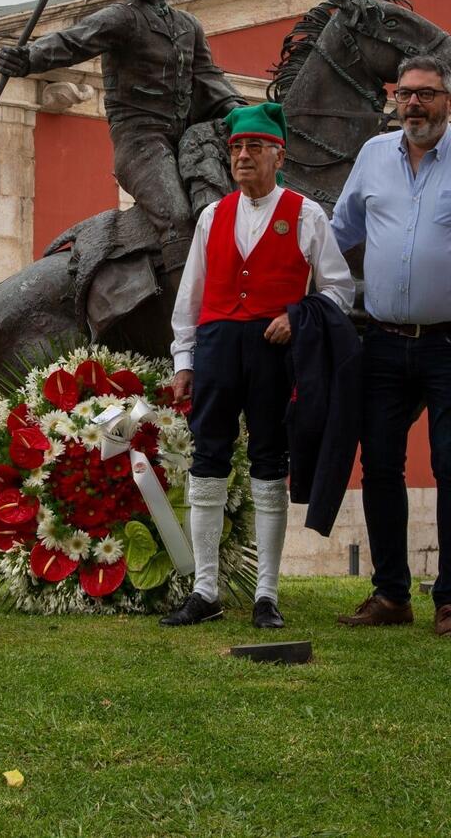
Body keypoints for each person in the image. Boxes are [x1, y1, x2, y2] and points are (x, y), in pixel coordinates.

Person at [328, 54, 451, 636]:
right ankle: (390, 594)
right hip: (382, 341)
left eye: (427, 94)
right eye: (405, 93)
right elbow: (339, 234)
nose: (414, 104)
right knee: (380, 464)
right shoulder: (372, 156)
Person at [160, 103, 355, 628]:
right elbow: (190, 298)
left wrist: (300, 316)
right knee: (208, 463)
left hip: (275, 352)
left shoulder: (306, 214)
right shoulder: (212, 216)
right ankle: (206, 590)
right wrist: (184, 361)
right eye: (236, 149)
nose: (243, 157)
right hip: (219, 347)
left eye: (254, 148)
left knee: (270, 467)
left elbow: (339, 290)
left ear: (277, 154)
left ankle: (266, 593)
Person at [0, 0, 241, 269]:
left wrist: (249, 116)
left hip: (185, 142)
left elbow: (210, 79)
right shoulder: (121, 19)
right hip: (140, 144)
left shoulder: (189, 26)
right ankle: (187, 320)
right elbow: (72, 41)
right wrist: (29, 58)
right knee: (177, 218)